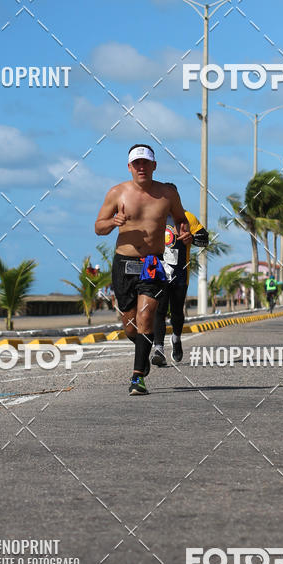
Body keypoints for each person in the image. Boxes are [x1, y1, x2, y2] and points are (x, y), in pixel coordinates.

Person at [95, 144, 191, 395]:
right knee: (130, 326)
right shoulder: (117, 193)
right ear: (129, 167)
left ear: (154, 166)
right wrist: (113, 222)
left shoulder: (167, 194)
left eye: (146, 163)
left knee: (146, 317)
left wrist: (184, 230)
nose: (141, 167)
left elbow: (181, 218)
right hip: (123, 264)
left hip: (151, 263)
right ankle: (144, 349)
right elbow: (98, 227)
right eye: (136, 163)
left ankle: (138, 376)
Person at [151, 190, 209, 367]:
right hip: (158, 273)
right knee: (159, 310)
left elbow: (204, 240)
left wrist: (191, 238)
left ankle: (176, 338)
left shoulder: (188, 218)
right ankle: (158, 349)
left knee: (176, 312)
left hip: (179, 274)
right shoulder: (154, 217)